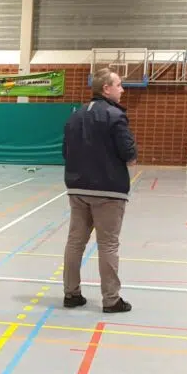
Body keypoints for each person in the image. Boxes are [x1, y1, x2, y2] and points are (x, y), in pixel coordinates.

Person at [61, 68, 137, 313]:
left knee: (75, 243)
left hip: (77, 187)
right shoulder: (116, 116)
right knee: (108, 245)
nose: (122, 90)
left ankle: (71, 294)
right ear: (106, 88)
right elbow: (128, 153)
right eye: (119, 85)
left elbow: (65, 152)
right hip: (109, 190)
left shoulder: (75, 116)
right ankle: (111, 299)